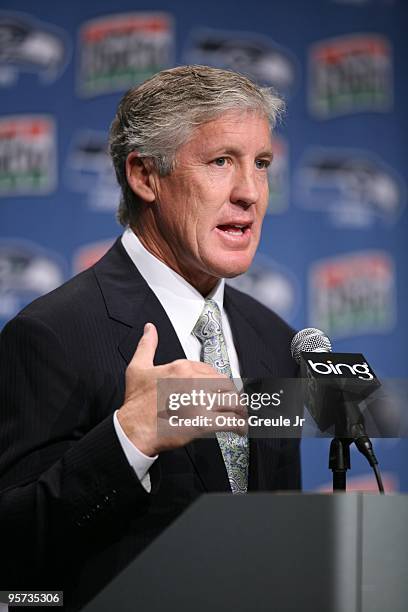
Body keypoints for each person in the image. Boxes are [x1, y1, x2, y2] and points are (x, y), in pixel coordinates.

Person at [0, 65, 300, 610]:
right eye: (221, 162)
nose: (250, 193)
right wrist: (127, 439)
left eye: (261, 164)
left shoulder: (275, 338)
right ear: (145, 176)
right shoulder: (51, 335)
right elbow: (11, 549)